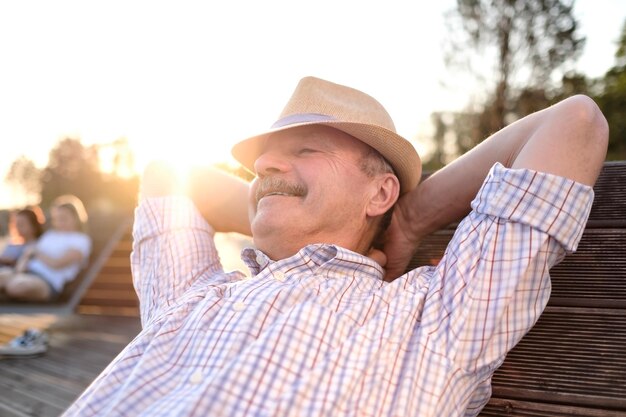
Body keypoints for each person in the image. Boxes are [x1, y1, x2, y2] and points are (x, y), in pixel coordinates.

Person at [63, 77, 608, 417]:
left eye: (304, 149)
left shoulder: (435, 316)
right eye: (261, 165)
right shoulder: (195, 293)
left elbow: (575, 123)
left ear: (381, 190)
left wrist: (411, 216)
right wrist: (277, 206)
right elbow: (165, 174)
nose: (266, 166)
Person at [0, 195, 91, 302]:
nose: (59, 222)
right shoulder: (49, 235)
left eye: (63, 218)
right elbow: (27, 253)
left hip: (48, 282)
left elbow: (57, 264)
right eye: (56, 219)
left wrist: (37, 253)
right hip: (27, 272)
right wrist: (19, 270)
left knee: (16, 286)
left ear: (76, 217)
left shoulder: (81, 240)